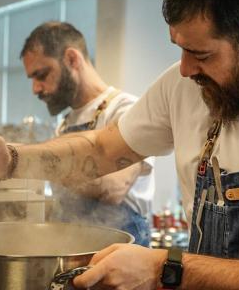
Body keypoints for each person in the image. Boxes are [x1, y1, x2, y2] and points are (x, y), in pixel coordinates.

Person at [0, 0, 239, 289]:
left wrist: (164, 269)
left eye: (199, 53)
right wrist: (11, 160)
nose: (184, 69)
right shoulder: (181, 85)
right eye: (180, 49)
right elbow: (103, 148)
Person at [20, 21, 154, 247]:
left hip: (120, 251)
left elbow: (113, 187)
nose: (36, 89)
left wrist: (33, 164)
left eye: (41, 75)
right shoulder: (65, 125)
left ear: (72, 59)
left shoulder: (127, 110)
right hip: (73, 246)